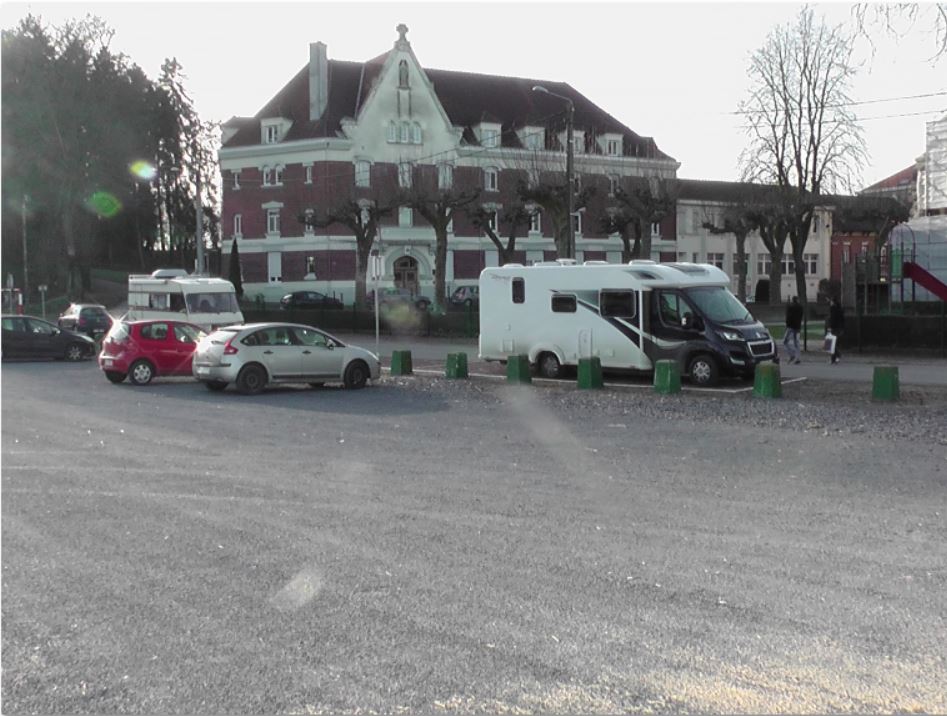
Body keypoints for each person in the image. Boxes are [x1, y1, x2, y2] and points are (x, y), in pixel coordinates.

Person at [783, 296, 803, 364]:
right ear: (797, 300)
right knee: (796, 342)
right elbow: (800, 317)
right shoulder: (800, 307)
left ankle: (792, 354)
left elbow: (788, 317)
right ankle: (798, 358)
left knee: (785, 341)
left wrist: (787, 325)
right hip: (797, 327)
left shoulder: (790, 307)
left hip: (791, 327)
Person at [828, 298, 845, 364]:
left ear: (833, 303)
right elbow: (842, 319)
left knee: (832, 344)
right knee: (835, 343)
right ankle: (833, 359)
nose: (830, 303)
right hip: (839, 328)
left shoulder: (833, 309)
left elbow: (832, 319)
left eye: (831, 302)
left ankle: (838, 355)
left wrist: (830, 327)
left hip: (834, 328)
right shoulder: (840, 309)